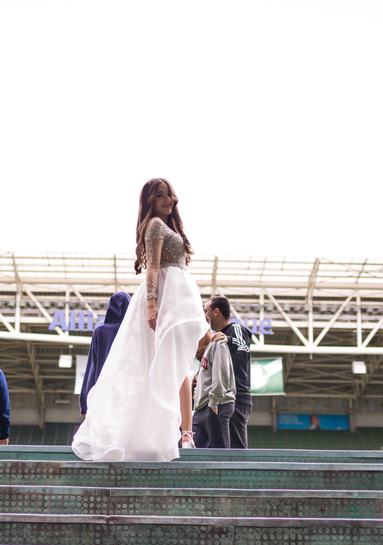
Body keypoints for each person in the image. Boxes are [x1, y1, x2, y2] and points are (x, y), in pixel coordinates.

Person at [72, 178, 213, 461]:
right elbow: (152, 269)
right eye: (160, 195)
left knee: (171, 364)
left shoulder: (170, 227)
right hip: (164, 299)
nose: (168, 199)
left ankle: (167, 434)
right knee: (150, 364)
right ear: (149, 201)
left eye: (170, 194)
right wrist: (151, 305)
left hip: (176, 298)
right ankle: (146, 434)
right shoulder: (155, 226)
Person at [199, 295, 252, 448]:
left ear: (216, 312)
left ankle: (241, 471)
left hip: (236, 398)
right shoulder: (214, 339)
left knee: (236, 450)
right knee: (217, 447)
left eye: (205, 311)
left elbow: (243, 350)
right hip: (221, 399)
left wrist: (228, 339)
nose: (204, 315)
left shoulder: (235, 329)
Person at [79, 291, 130, 417]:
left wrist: (84, 404)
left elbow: (92, 366)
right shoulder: (133, 330)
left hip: (104, 391)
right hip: (128, 389)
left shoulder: (100, 331)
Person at [191, 321, 235, 448]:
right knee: (191, 451)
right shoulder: (207, 350)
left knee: (220, 455)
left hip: (216, 404)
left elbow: (221, 374)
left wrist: (214, 402)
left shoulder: (218, 344)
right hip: (202, 408)